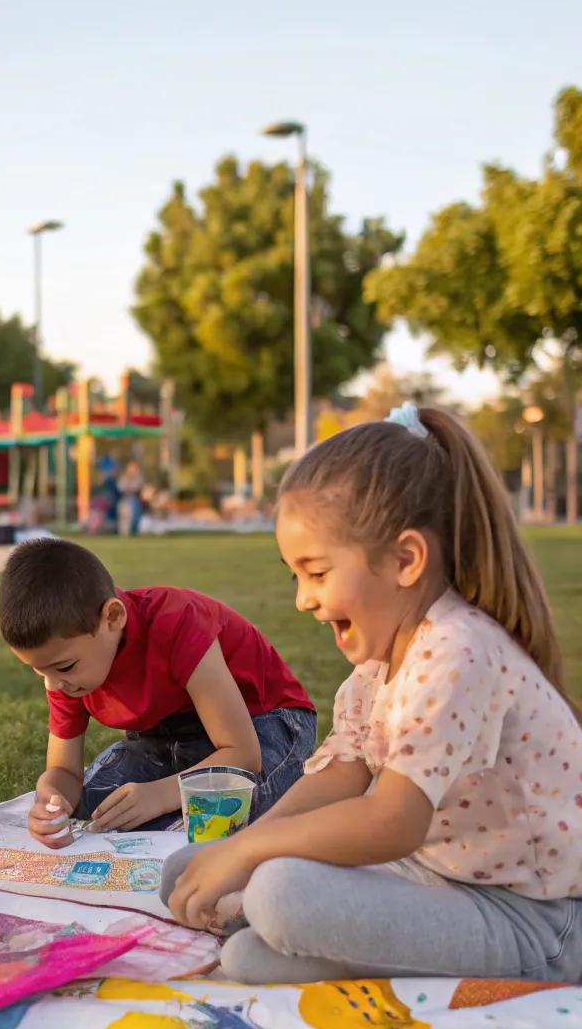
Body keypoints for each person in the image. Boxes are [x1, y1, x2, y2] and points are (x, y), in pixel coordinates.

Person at [163, 404, 582, 983]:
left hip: (534, 919)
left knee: (278, 893)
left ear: (405, 560)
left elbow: (392, 821)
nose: (303, 599)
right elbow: (344, 773)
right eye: (296, 576)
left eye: (317, 571)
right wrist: (250, 840)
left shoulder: (457, 650)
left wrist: (249, 854)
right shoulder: (379, 663)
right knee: (190, 878)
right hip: (429, 874)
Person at [0, 538, 316, 843]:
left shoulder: (177, 622)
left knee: (231, 808)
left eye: (64, 668)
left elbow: (243, 755)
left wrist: (161, 795)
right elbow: (64, 771)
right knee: (98, 806)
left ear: (113, 617)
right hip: (168, 737)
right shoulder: (66, 666)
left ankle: (308, 787)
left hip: (264, 721)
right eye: (40, 672)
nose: (53, 684)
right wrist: (50, 802)